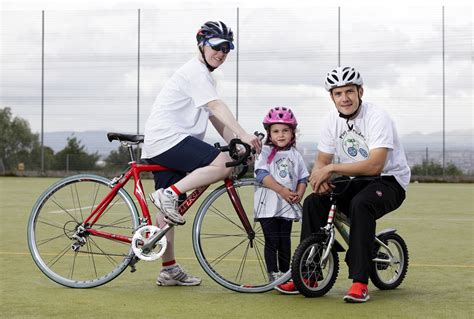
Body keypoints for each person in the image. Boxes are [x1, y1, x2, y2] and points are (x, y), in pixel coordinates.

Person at [141, 21, 262, 287]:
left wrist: (236, 144)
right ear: (202, 45)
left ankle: (168, 269)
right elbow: (216, 106)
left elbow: (215, 119)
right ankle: (167, 195)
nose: (222, 53)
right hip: (168, 139)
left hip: (167, 142)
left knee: (167, 214)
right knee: (222, 165)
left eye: (227, 49)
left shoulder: (206, 77)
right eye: (217, 46)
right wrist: (243, 134)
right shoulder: (195, 71)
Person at [276, 66, 410, 302]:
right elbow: (321, 161)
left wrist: (330, 170)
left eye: (349, 91)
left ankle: (360, 281)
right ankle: (309, 276)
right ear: (332, 97)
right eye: (338, 93)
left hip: (390, 181)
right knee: (314, 203)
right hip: (355, 180)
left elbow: (374, 166)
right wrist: (320, 178)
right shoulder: (331, 121)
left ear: (360, 91)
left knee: (361, 205)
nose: (344, 98)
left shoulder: (377, 116)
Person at [253, 107, 309, 286]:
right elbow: (261, 174)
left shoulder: (296, 155)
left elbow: (303, 177)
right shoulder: (264, 152)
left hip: (287, 207)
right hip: (267, 206)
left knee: (285, 240)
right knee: (272, 240)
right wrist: (282, 191)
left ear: (293, 133)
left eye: (285, 130)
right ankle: (273, 273)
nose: (281, 135)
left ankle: (286, 274)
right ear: (269, 134)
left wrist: (299, 193)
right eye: (276, 131)